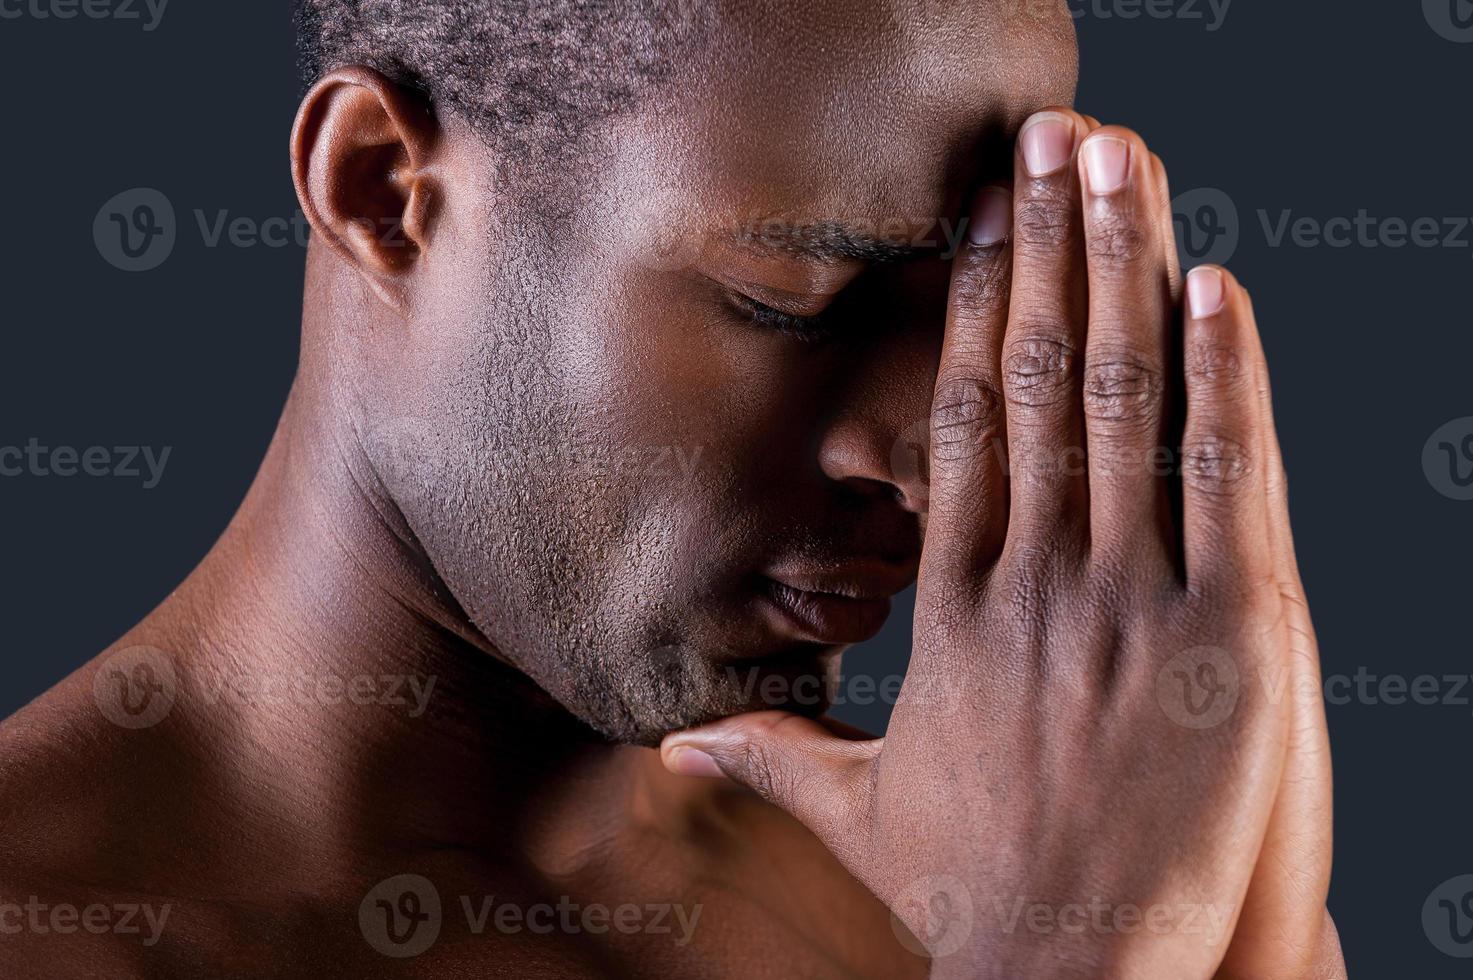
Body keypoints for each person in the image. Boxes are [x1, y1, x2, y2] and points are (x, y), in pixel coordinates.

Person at [0, 0, 1344, 975]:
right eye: (789, 299)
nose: (933, 450)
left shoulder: (962, 879)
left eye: (971, 322)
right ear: (383, 191)